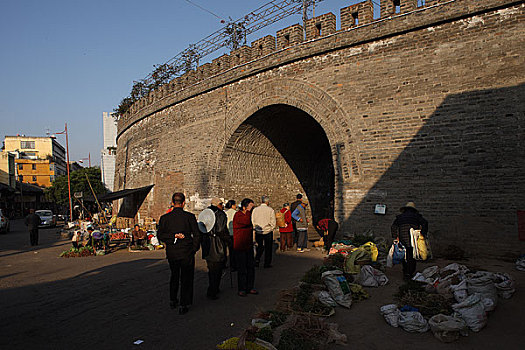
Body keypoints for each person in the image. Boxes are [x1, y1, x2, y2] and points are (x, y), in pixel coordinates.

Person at [157, 192, 201, 315]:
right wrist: (194, 248)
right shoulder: (189, 217)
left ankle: (173, 299)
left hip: (172, 252)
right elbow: (197, 235)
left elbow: (160, 235)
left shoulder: (165, 218)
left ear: (172, 203)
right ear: (183, 203)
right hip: (187, 252)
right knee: (186, 278)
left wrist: (172, 236)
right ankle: (184, 303)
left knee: (174, 276)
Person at [201, 197, 231, 300]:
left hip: (207, 244)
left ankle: (213, 288)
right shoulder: (221, 214)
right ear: (218, 204)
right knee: (217, 269)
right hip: (217, 244)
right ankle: (213, 290)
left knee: (211, 268)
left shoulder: (205, 212)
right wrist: (229, 241)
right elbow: (221, 230)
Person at [391, 201, 428, 280]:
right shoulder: (417, 216)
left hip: (403, 238)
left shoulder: (400, 217)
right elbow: (425, 223)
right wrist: (423, 234)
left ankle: (405, 271)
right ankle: (410, 272)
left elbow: (393, 227)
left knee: (404, 255)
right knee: (412, 255)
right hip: (413, 239)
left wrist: (395, 237)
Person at [233, 198, 258, 297]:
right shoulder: (239, 215)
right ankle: (242, 288)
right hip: (240, 246)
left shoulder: (248, 215)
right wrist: (248, 211)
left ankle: (250, 287)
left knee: (250, 267)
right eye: (250, 207)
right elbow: (246, 222)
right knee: (242, 269)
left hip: (248, 245)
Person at [251, 195, 276, 268]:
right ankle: (267, 263)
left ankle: (257, 260)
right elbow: (273, 221)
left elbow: (252, 220)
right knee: (268, 248)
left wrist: (255, 227)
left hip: (258, 231)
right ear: (267, 202)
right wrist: (271, 228)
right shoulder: (270, 210)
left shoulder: (255, 209)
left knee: (259, 246)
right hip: (268, 231)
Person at [225, 199, 237, 271]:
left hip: (227, 233)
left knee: (229, 250)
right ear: (232, 205)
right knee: (234, 251)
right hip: (234, 233)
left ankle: (227, 264)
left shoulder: (225, 213)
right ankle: (234, 265)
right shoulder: (235, 213)